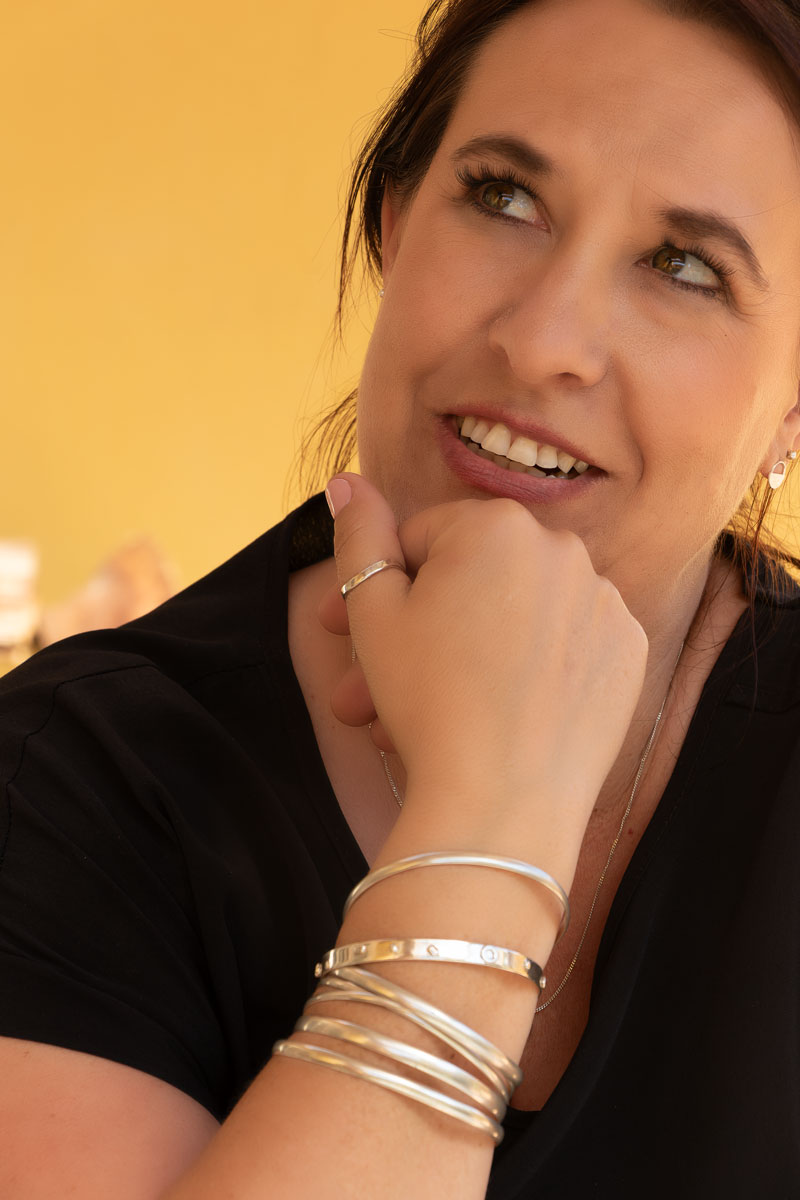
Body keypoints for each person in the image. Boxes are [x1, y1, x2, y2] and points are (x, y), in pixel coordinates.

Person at [1, 0, 800, 1194]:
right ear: (395, 223)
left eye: (683, 266)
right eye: (502, 197)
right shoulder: (66, 780)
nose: (543, 341)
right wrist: (489, 824)